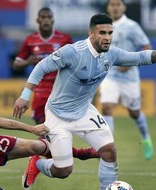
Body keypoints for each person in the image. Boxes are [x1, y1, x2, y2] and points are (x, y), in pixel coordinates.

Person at [13, 13, 156, 190]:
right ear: (91, 33)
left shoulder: (111, 54)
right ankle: (37, 164)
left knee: (109, 151)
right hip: (58, 115)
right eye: (102, 33)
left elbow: (139, 58)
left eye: (110, 33)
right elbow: (41, 67)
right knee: (63, 171)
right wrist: (24, 96)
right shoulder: (72, 52)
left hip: (84, 111)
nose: (107, 37)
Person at [13, 7, 99, 168]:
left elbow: (78, 58)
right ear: (38, 20)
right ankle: (79, 153)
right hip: (40, 91)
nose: (46, 20)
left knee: (55, 132)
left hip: (61, 91)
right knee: (47, 133)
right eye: (43, 17)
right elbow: (16, 64)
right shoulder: (30, 40)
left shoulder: (64, 38)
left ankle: (42, 162)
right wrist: (27, 61)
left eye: (49, 17)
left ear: (53, 20)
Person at [99, 0, 154, 160]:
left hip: (129, 78)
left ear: (124, 7)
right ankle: (108, 146)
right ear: (108, 7)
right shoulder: (103, 26)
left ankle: (146, 139)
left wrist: (130, 64)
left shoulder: (131, 26)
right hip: (109, 75)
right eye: (112, 4)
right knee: (107, 107)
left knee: (134, 112)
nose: (115, 7)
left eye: (118, 4)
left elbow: (147, 47)